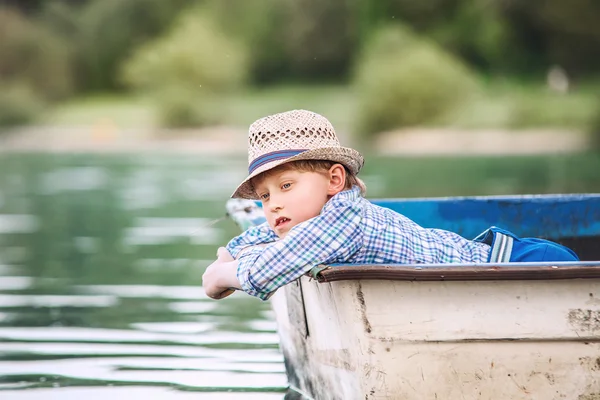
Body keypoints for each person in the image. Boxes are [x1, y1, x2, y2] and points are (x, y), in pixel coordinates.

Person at [202, 110, 579, 300]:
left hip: (519, 263)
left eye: (286, 186)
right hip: (499, 265)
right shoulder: (309, 222)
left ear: (334, 181)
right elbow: (260, 242)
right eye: (265, 196)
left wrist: (221, 275)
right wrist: (234, 254)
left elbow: (275, 265)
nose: (273, 204)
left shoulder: (339, 223)